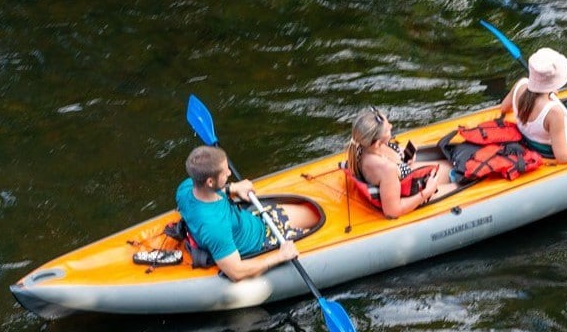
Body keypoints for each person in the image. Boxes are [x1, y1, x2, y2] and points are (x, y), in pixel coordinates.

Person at [176, 145, 317, 281]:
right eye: (225, 172)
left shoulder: (185, 188)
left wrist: (233, 188)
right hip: (263, 243)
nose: (229, 173)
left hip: (256, 220)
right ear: (210, 181)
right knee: (316, 230)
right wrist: (279, 257)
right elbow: (237, 272)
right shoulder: (215, 227)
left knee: (313, 214)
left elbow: (212, 191)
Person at [346, 106, 457, 218]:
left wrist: (403, 159)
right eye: (388, 128)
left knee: (455, 168)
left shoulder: (364, 147)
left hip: (409, 180)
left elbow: (391, 159)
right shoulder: (386, 168)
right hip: (414, 193)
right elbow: (392, 211)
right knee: (461, 185)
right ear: (377, 143)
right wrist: (427, 192)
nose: (391, 126)